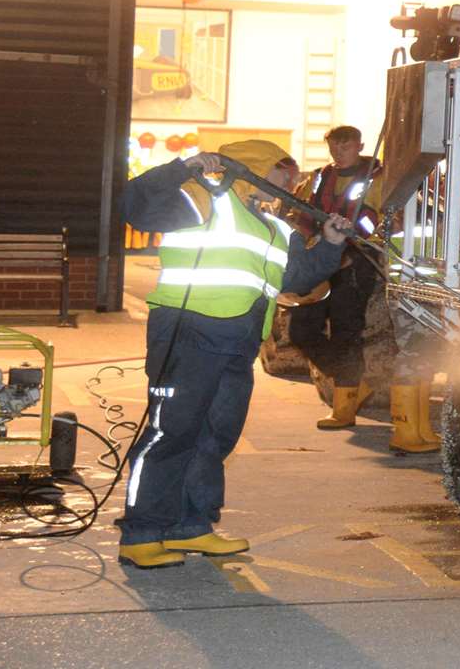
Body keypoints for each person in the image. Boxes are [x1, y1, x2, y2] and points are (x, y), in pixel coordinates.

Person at [116, 140, 352, 569]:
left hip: (239, 341)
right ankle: (143, 532)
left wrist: (331, 244)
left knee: (215, 436)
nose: (290, 186)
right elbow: (135, 203)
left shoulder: (276, 228)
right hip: (189, 330)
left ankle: (193, 526)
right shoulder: (204, 199)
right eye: (284, 175)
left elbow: (296, 279)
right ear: (257, 169)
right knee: (171, 432)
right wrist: (182, 167)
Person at [287, 126, 416, 442]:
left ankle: (343, 407)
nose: (339, 152)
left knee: (347, 329)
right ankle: (354, 381)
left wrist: (357, 240)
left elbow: (389, 219)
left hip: (356, 260)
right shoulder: (318, 177)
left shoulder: (378, 177)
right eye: (334, 146)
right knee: (301, 330)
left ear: (359, 145)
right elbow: (298, 212)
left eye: (345, 146)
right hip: (318, 258)